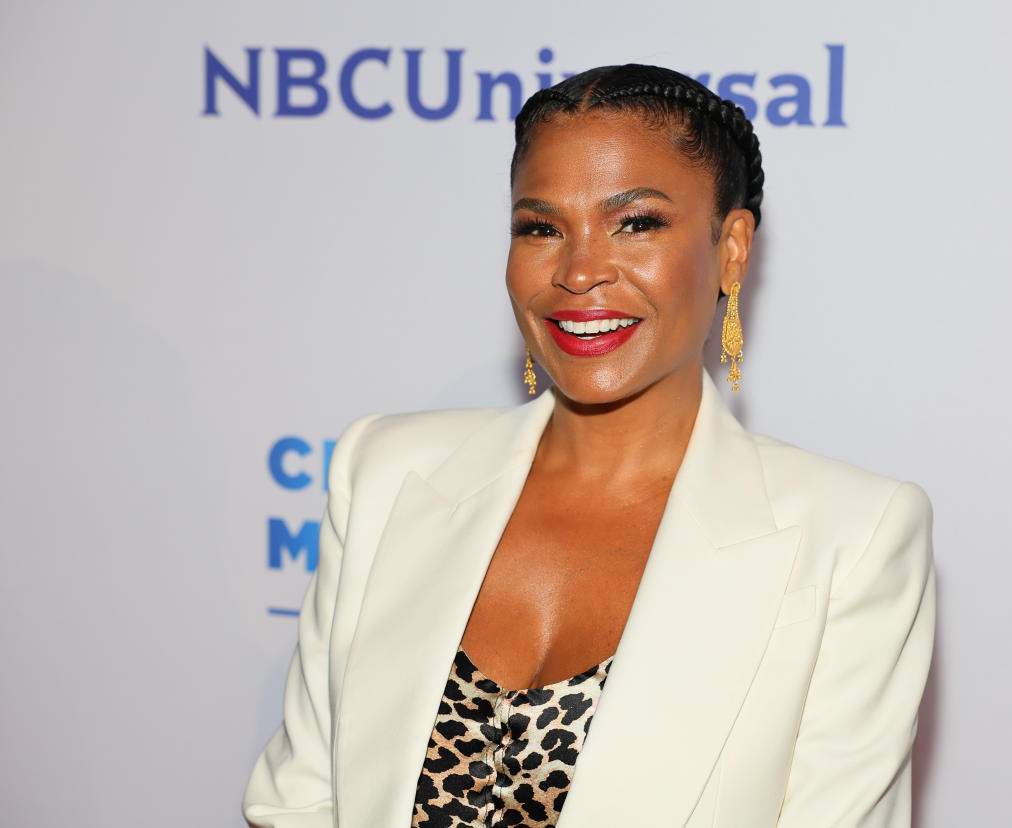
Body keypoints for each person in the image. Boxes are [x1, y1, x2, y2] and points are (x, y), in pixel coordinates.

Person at [243, 64, 935, 828]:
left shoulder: (851, 540)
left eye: (636, 223)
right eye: (541, 227)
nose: (578, 272)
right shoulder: (384, 472)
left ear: (733, 249)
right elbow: (300, 802)